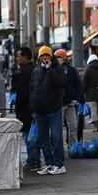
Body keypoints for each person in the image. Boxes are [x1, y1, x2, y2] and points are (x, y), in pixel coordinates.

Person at [30, 46, 67, 175]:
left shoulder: (58, 69)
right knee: (43, 138)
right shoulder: (36, 70)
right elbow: (33, 89)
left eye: (47, 55)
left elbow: (60, 83)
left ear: (51, 56)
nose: (45, 57)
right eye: (43, 55)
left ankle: (59, 164)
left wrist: (50, 69)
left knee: (56, 137)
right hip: (40, 110)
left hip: (54, 108)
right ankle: (49, 163)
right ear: (39, 57)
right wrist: (33, 107)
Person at [12, 47, 40, 170]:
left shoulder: (23, 72)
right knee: (34, 135)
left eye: (19, 56)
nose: (17, 59)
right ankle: (35, 160)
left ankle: (33, 161)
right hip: (34, 107)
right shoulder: (36, 68)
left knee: (29, 135)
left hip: (25, 108)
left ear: (25, 57)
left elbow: (21, 91)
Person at [54, 49, 83, 151]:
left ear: (64, 58)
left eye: (59, 57)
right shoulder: (53, 70)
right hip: (58, 103)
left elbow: (78, 85)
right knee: (58, 128)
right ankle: (58, 148)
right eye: (56, 57)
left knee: (73, 126)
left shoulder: (71, 70)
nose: (58, 59)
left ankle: (73, 147)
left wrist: (76, 99)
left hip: (70, 102)